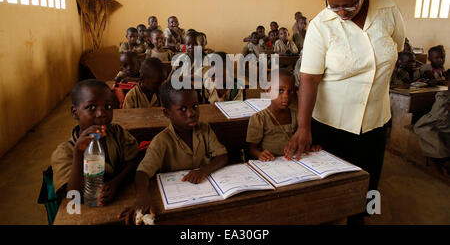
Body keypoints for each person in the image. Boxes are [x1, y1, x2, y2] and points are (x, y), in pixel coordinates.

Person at [285, 0, 406, 224]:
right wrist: (303, 127)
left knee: (366, 190)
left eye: (349, 3)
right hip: (331, 124)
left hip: (375, 122)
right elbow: (309, 79)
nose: (341, 11)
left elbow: (395, 51)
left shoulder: (388, 11)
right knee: (328, 194)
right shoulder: (321, 25)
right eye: (333, 5)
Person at [119, 81, 228, 224]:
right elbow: (142, 173)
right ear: (167, 113)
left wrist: (203, 171)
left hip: (207, 196)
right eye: (182, 109)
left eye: (195, 106)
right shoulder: (162, 141)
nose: (191, 113)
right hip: (177, 201)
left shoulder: (204, 130)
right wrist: (142, 196)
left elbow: (222, 156)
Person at [51, 80, 139, 204]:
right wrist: (79, 153)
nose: (101, 113)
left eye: (108, 107)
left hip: (120, 201)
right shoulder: (65, 151)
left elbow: (134, 162)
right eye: (91, 107)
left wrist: (115, 184)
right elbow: (73, 195)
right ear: (75, 112)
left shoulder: (118, 133)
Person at [247, 69, 320, 161]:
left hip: (294, 162)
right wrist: (260, 154)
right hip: (271, 163)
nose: (286, 96)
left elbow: (302, 139)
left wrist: (313, 147)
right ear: (268, 91)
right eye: (280, 90)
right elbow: (252, 149)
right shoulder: (259, 118)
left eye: (290, 91)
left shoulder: (297, 116)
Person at [413, 74, 450, 175]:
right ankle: (439, 171)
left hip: (444, 126)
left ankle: (441, 168)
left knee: (438, 149)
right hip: (431, 124)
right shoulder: (442, 95)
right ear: (447, 83)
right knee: (434, 148)